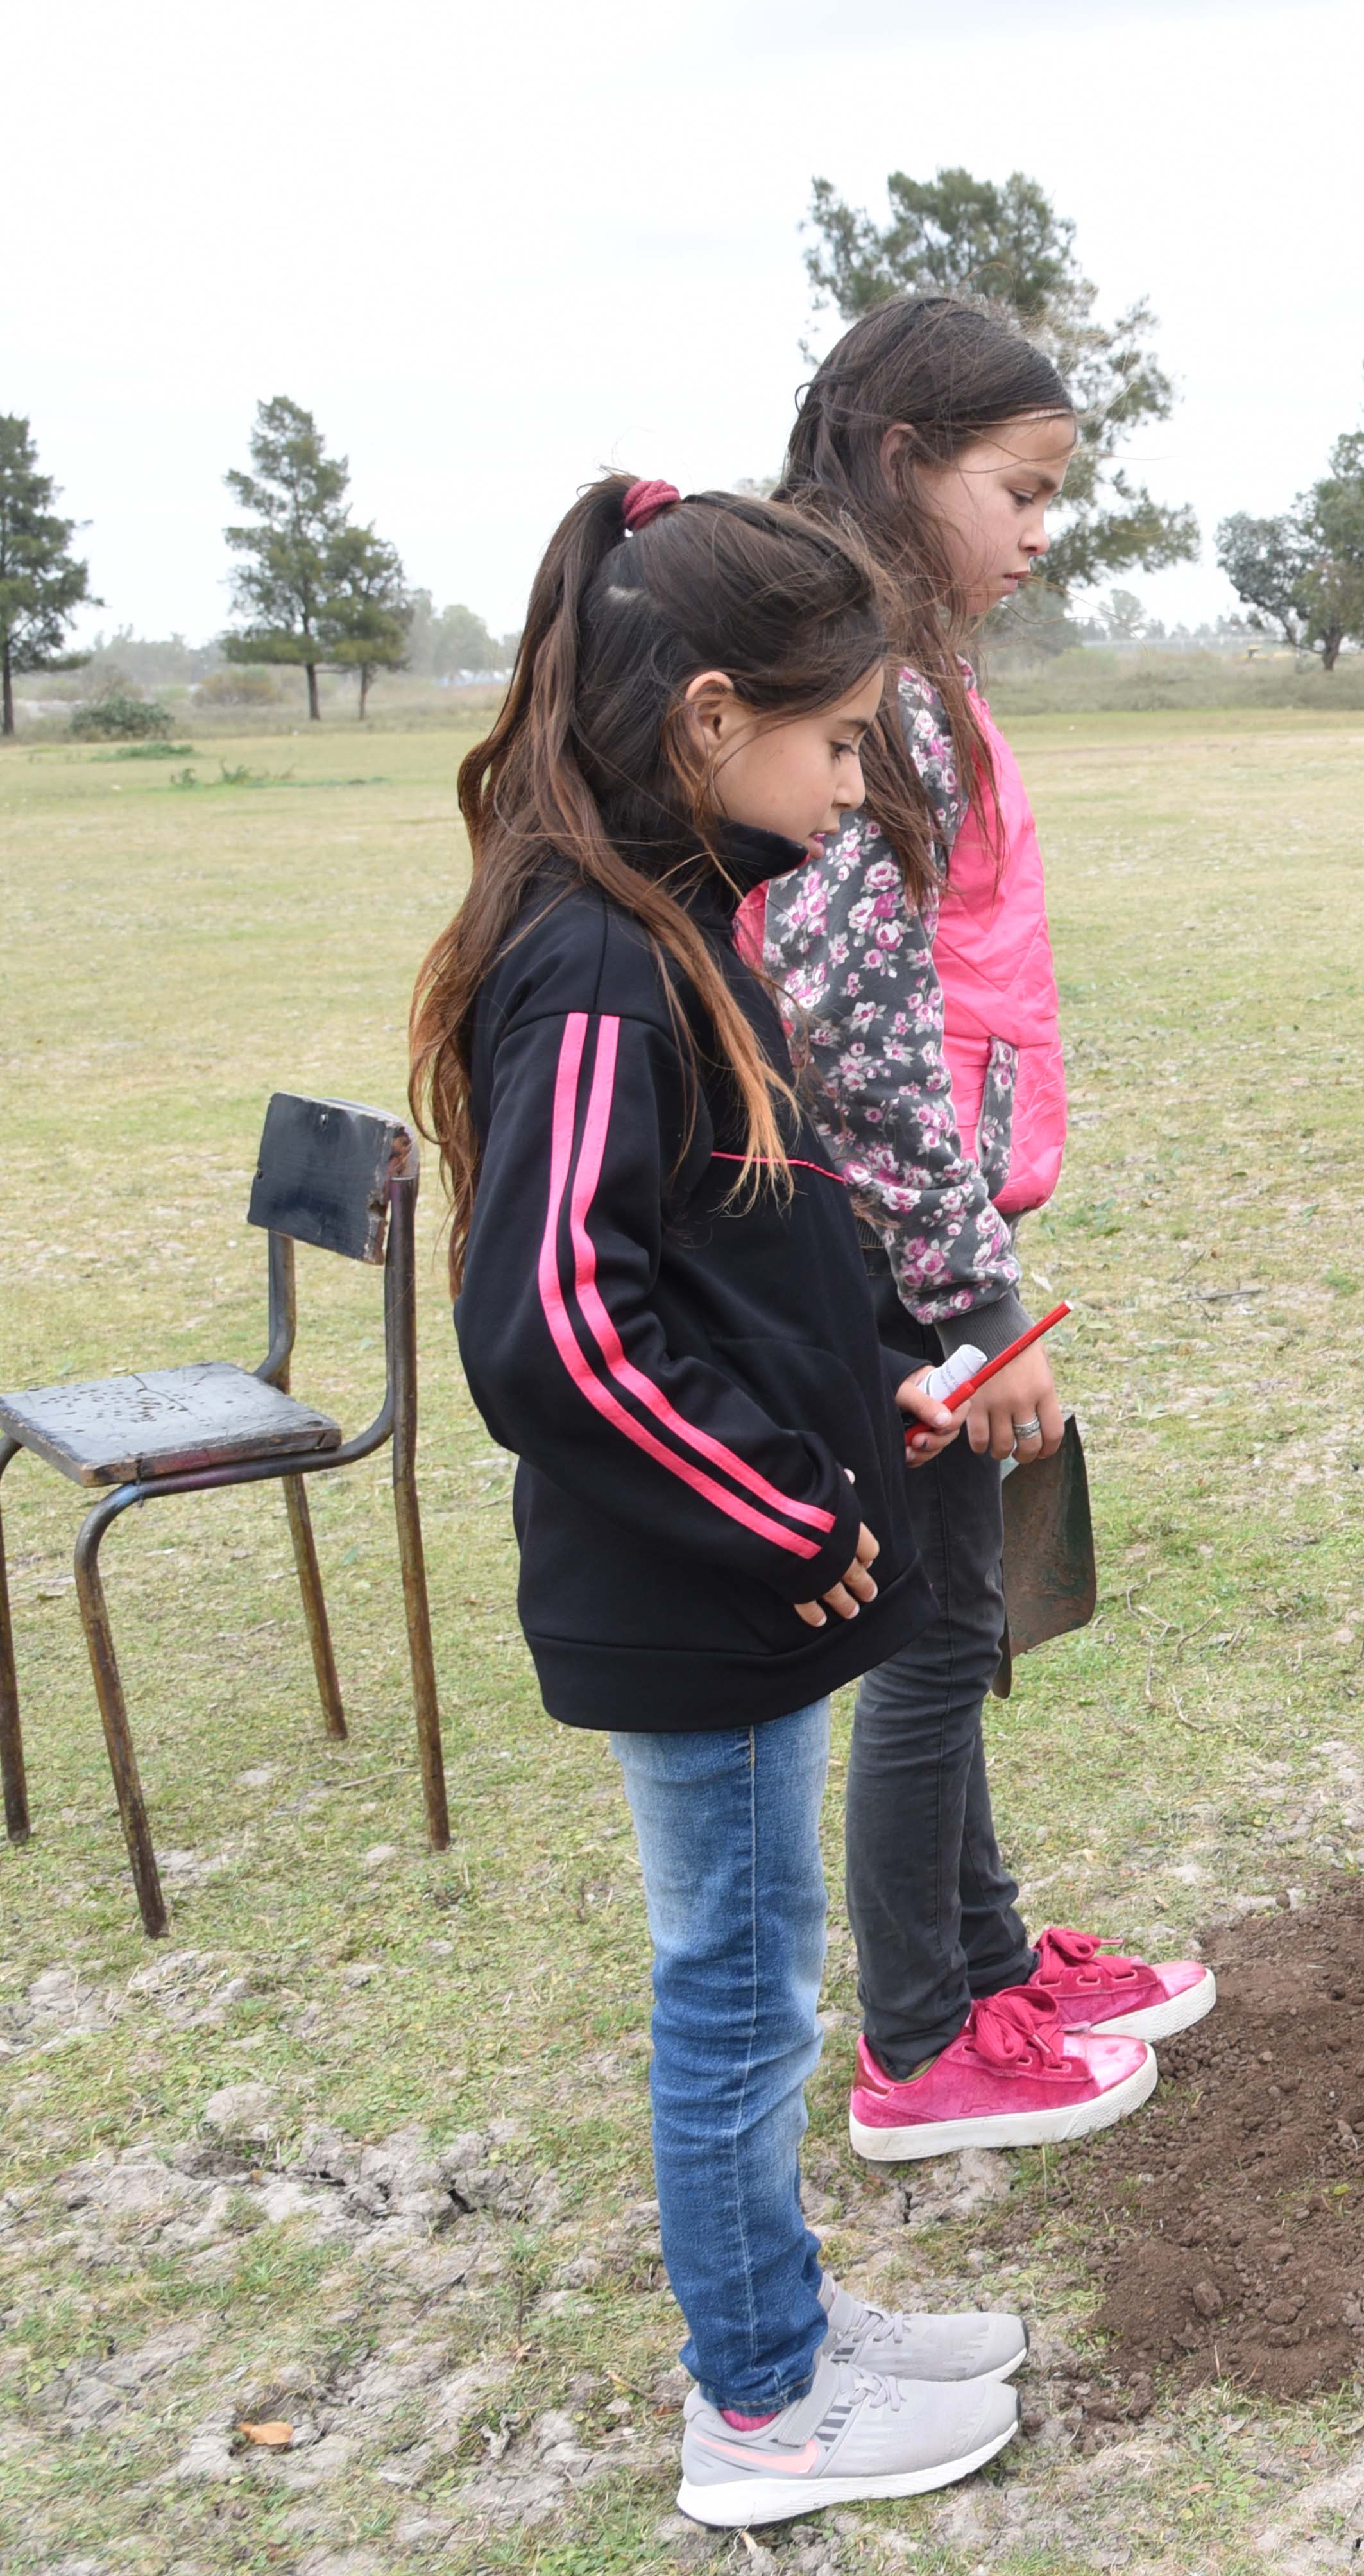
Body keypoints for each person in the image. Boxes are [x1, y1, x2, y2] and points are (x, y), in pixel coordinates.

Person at [414, 474, 1038, 2524]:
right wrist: (791, 1516)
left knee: (745, 1979)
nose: (862, 787)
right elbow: (553, 1328)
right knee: (740, 1989)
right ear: (707, 716)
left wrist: (885, 1379)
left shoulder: (673, 925)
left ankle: (782, 2316)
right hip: (701, 1600)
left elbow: (721, 1248)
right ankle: (759, 2401)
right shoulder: (599, 961)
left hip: (723, 1575)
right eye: (840, 741)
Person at [769, 293, 1205, 2165]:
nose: (1040, 533)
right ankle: (921, 2044)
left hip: (902, 1233)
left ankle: (992, 1961)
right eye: (1018, 491)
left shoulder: (893, 663)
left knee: (947, 1609)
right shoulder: (853, 683)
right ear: (899, 462)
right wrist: (975, 1300)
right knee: (935, 1633)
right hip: (882, 1247)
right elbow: (862, 1038)